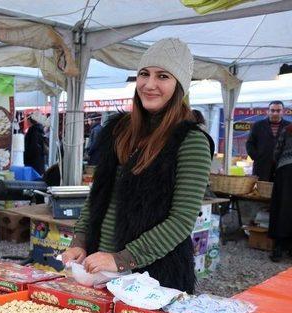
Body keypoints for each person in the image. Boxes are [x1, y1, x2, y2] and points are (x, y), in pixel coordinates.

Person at [61, 38, 212, 293]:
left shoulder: (191, 141)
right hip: (100, 269)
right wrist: (80, 241)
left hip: (154, 276)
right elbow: (98, 197)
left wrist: (123, 259)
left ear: (179, 86)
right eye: (144, 74)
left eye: (163, 76)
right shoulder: (119, 131)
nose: (149, 84)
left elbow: (181, 220)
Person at [246, 101, 290, 181]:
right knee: (261, 191)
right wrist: (257, 157)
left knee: (281, 191)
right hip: (262, 166)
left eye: (278, 110)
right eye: (272, 110)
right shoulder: (258, 126)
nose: (275, 113)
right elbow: (250, 143)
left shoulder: (289, 127)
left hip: (282, 166)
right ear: (268, 111)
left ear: (283, 112)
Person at [268, 124, 292, 262]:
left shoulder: (288, 129)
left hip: (286, 170)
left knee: (281, 207)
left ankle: (278, 249)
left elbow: (276, 152)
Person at [24, 111, 48, 175]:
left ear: (30, 121)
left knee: (34, 179)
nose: (26, 122)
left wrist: (26, 157)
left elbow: (33, 147)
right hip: (39, 160)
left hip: (33, 162)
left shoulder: (33, 131)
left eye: (27, 120)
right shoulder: (39, 129)